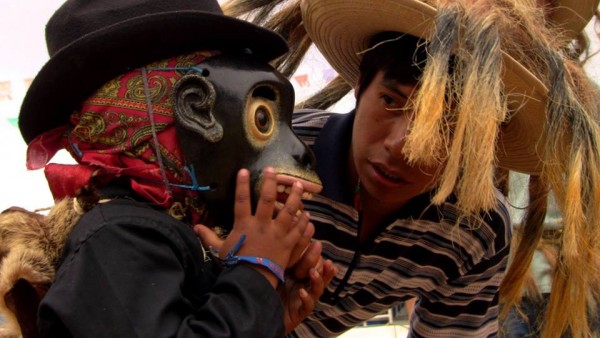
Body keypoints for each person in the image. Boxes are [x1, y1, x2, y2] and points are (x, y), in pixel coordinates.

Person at [209, 0, 600, 337]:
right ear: (361, 85)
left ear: (483, 137)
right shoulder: (263, 156)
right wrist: (242, 284)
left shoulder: (472, 229)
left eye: (449, 125)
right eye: (391, 100)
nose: (403, 146)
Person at [0, 0, 337, 337]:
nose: (300, 150)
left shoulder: (163, 232)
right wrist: (256, 271)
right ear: (193, 107)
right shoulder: (117, 234)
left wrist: (267, 311)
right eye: (261, 117)